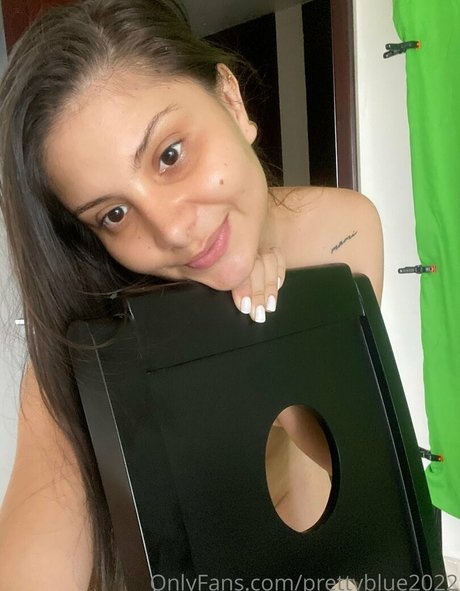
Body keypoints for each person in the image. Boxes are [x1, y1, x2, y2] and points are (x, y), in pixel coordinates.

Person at [0, 0, 383, 589]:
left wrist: (268, 338)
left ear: (231, 100)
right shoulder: (93, 347)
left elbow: (350, 468)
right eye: (114, 213)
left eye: (170, 155)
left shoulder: (341, 231)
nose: (173, 231)